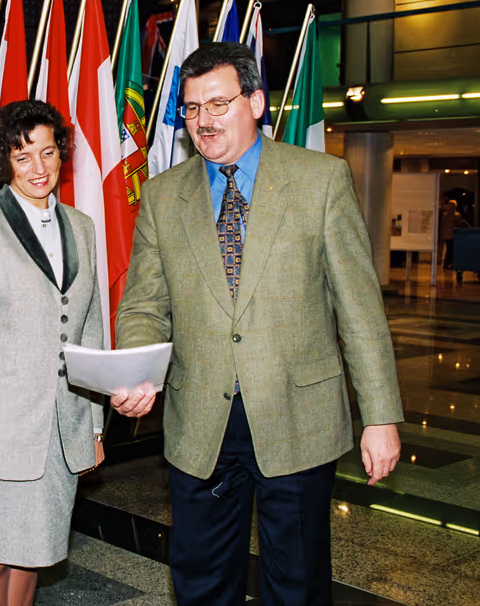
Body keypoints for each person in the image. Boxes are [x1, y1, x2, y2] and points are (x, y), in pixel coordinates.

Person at [111, 43, 404, 605]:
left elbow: (359, 309)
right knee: (200, 582)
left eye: (217, 104)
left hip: (300, 418)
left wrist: (381, 416)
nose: (203, 121)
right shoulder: (162, 196)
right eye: (191, 109)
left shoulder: (321, 181)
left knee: (296, 585)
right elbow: (145, 303)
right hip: (199, 420)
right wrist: (138, 368)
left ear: (256, 102)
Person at [0, 100, 106, 606]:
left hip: (61, 431)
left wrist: (94, 425)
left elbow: (90, 330)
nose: (39, 168)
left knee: (36, 556)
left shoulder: (82, 226)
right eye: (23, 155)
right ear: (2, 160)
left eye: (48, 153)